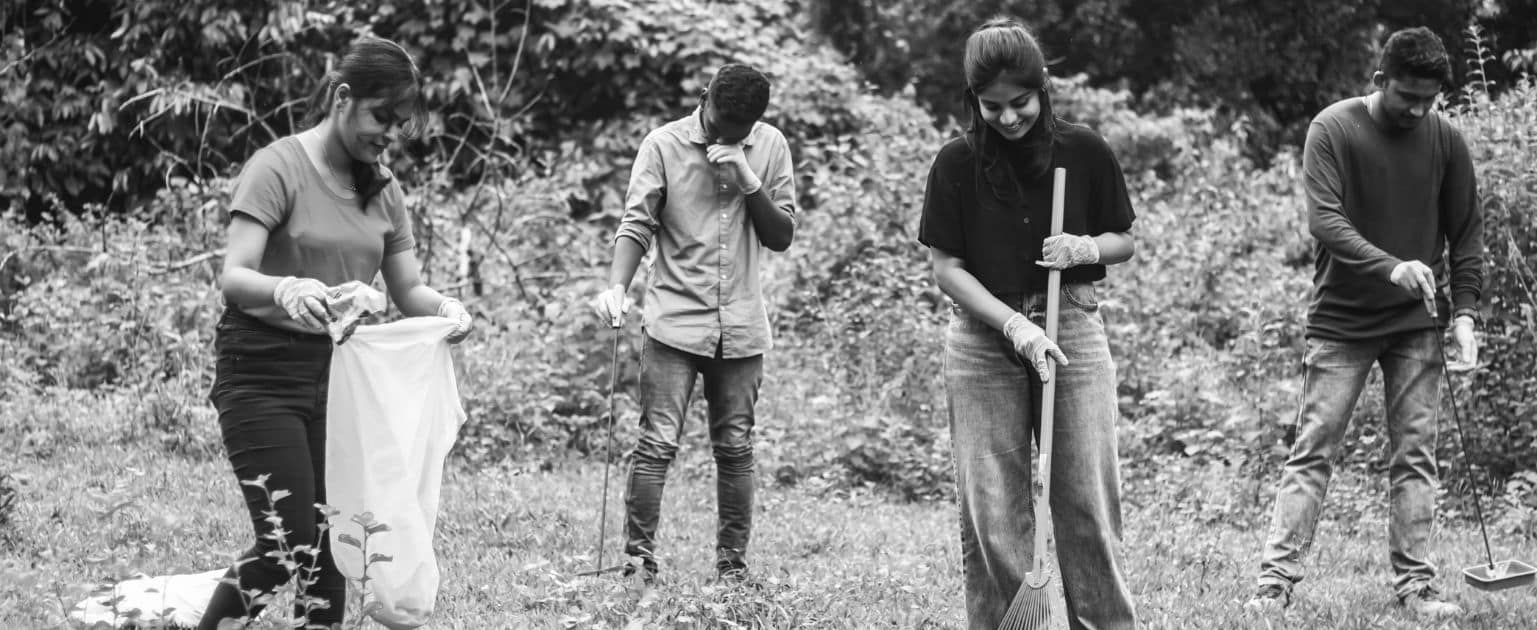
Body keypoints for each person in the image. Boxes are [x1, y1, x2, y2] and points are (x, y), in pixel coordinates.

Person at [200, 36, 472, 629]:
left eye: (401, 125)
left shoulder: (384, 189)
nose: (391, 136)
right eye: (382, 118)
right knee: (285, 542)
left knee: (335, 545)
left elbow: (408, 291)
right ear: (342, 98)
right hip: (261, 369)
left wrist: (447, 310)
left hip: (340, 377)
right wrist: (286, 287)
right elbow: (234, 275)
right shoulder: (278, 167)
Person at [1243, 26, 1483, 618]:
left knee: (1416, 454)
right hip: (1341, 322)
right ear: (1380, 80)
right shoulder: (1334, 128)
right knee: (1314, 449)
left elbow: (1466, 233)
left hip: (1416, 325)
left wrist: (1467, 315)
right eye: (1407, 96)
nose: (1418, 109)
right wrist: (1391, 266)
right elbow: (1325, 221)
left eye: (1429, 100)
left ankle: (1417, 588)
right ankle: (1275, 583)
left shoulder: (1446, 141)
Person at [918, 17, 1138, 630]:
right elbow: (947, 266)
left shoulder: (1083, 150)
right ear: (973, 101)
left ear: (1042, 90)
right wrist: (1015, 324)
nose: (1009, 118)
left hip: (1072, 325)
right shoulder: (957, 163)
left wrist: (1085, 249)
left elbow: (1124, 239)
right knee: (992, 505)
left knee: (1085, 497)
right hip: (985, 337)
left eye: (1020, 103)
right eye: (992, 107)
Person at [589, 63, 796, 586]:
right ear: (706, 99)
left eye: (742, 130)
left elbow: (781, 235)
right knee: (656, 443)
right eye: (724, 123)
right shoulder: (662, 145)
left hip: (743, 326)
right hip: (674, 322)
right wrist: (618, 286)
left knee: (735, 447)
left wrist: (748, 178)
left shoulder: (770, 146)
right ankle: (638, 564)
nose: (731, 136)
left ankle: (732, 568)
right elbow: (638, 222)